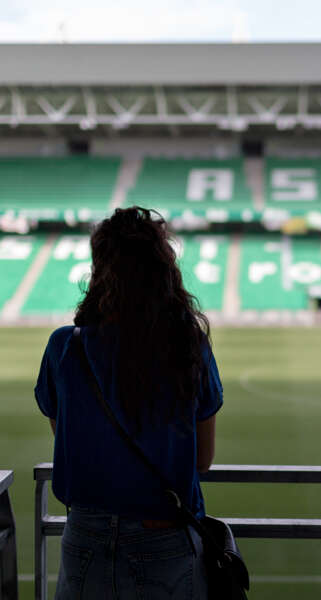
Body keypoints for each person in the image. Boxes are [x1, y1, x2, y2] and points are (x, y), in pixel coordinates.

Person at [34, 206, 223, 599]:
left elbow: (64, 434)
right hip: (164, 538)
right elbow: (202, 459)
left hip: (84, 536)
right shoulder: (188, 345)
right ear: (163, 270)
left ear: (99, 269)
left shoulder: (63, 347)